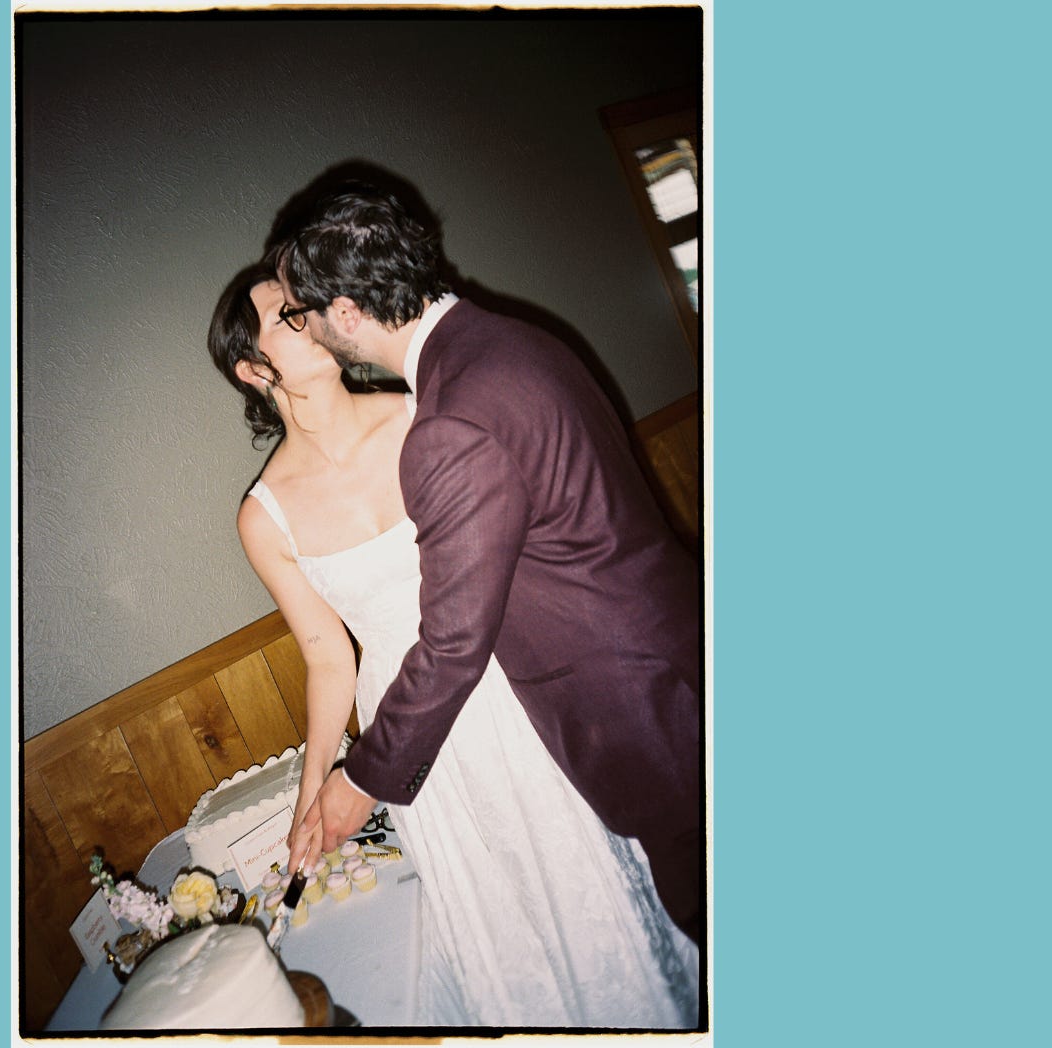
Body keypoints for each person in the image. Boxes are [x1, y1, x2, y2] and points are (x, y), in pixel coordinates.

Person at [208, 260, 698, 1027]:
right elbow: (328, 656)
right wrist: (312, 796)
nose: (312, 314)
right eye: (286, 314)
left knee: (581, 878)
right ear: (250, 367)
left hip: (508, 683)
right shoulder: (263, 516)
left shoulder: (420, 413)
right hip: (411, 744)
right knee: (501, 911)